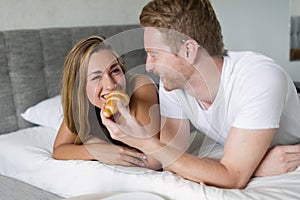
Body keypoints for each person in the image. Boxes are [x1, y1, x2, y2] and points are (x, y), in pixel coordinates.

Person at [101, 0, 300, 189]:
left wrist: (142, 140)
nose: (149, 65)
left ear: (188, 50)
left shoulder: (259, 77)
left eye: (154, 54)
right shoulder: (172, 83)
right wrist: (254, 168)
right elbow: (171, 161)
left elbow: (232, 178)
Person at [53, 35, 161, 170]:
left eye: (115, 71)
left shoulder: (140, 86)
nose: (110, 85)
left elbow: (154, 161)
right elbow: (59, 150)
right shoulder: (82, 105)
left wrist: (111, 149)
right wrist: (95, 150)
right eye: (97, 77)